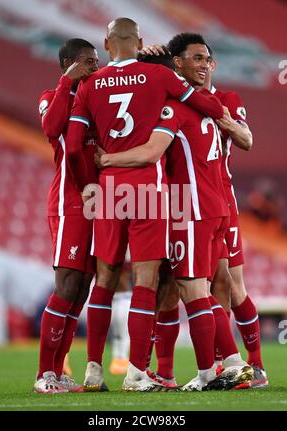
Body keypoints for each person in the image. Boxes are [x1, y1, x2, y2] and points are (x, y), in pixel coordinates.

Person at [65, 18, 224, 392]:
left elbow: (73, 146)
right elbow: (201, 101)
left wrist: (87, 185)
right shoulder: (160, 78)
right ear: (138, 41)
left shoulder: (89, 84)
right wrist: (223, 116)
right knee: (146, 281)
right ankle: (137, 373)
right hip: (148, 190)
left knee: (104, 281)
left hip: (107, 191)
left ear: (106, 44)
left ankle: (93, 370)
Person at [95, 34, 254, 391]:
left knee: (193, 287)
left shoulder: (173, 110)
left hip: (191, 207)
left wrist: (107, 159)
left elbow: (152, 152)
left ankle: (224, 367)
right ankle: (209, 368)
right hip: (215, 206)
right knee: (199, 286)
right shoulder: (208, 105)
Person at [34, 39, 99, 393]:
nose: (95, 66)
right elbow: (51, 129)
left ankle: (58, 372)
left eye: (96, 60)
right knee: (68, 284)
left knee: (82, 291)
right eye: (88, 61)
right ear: (68, 64)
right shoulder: (52, 94)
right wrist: (66, 83)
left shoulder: (97, 96)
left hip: (101, 203)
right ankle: (44, 374)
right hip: (70, 201)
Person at [204, 46, 268, 388]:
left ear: (213, 64)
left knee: (229, 281)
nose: (201, 66)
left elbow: (246, 139)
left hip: (221, 199)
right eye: (193, 59)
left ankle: (255, 364)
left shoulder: (227, 98)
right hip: (184, 200)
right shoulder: (174, 96)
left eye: (205, 60)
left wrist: (221, 116)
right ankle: (218, 362)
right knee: (193, 284)